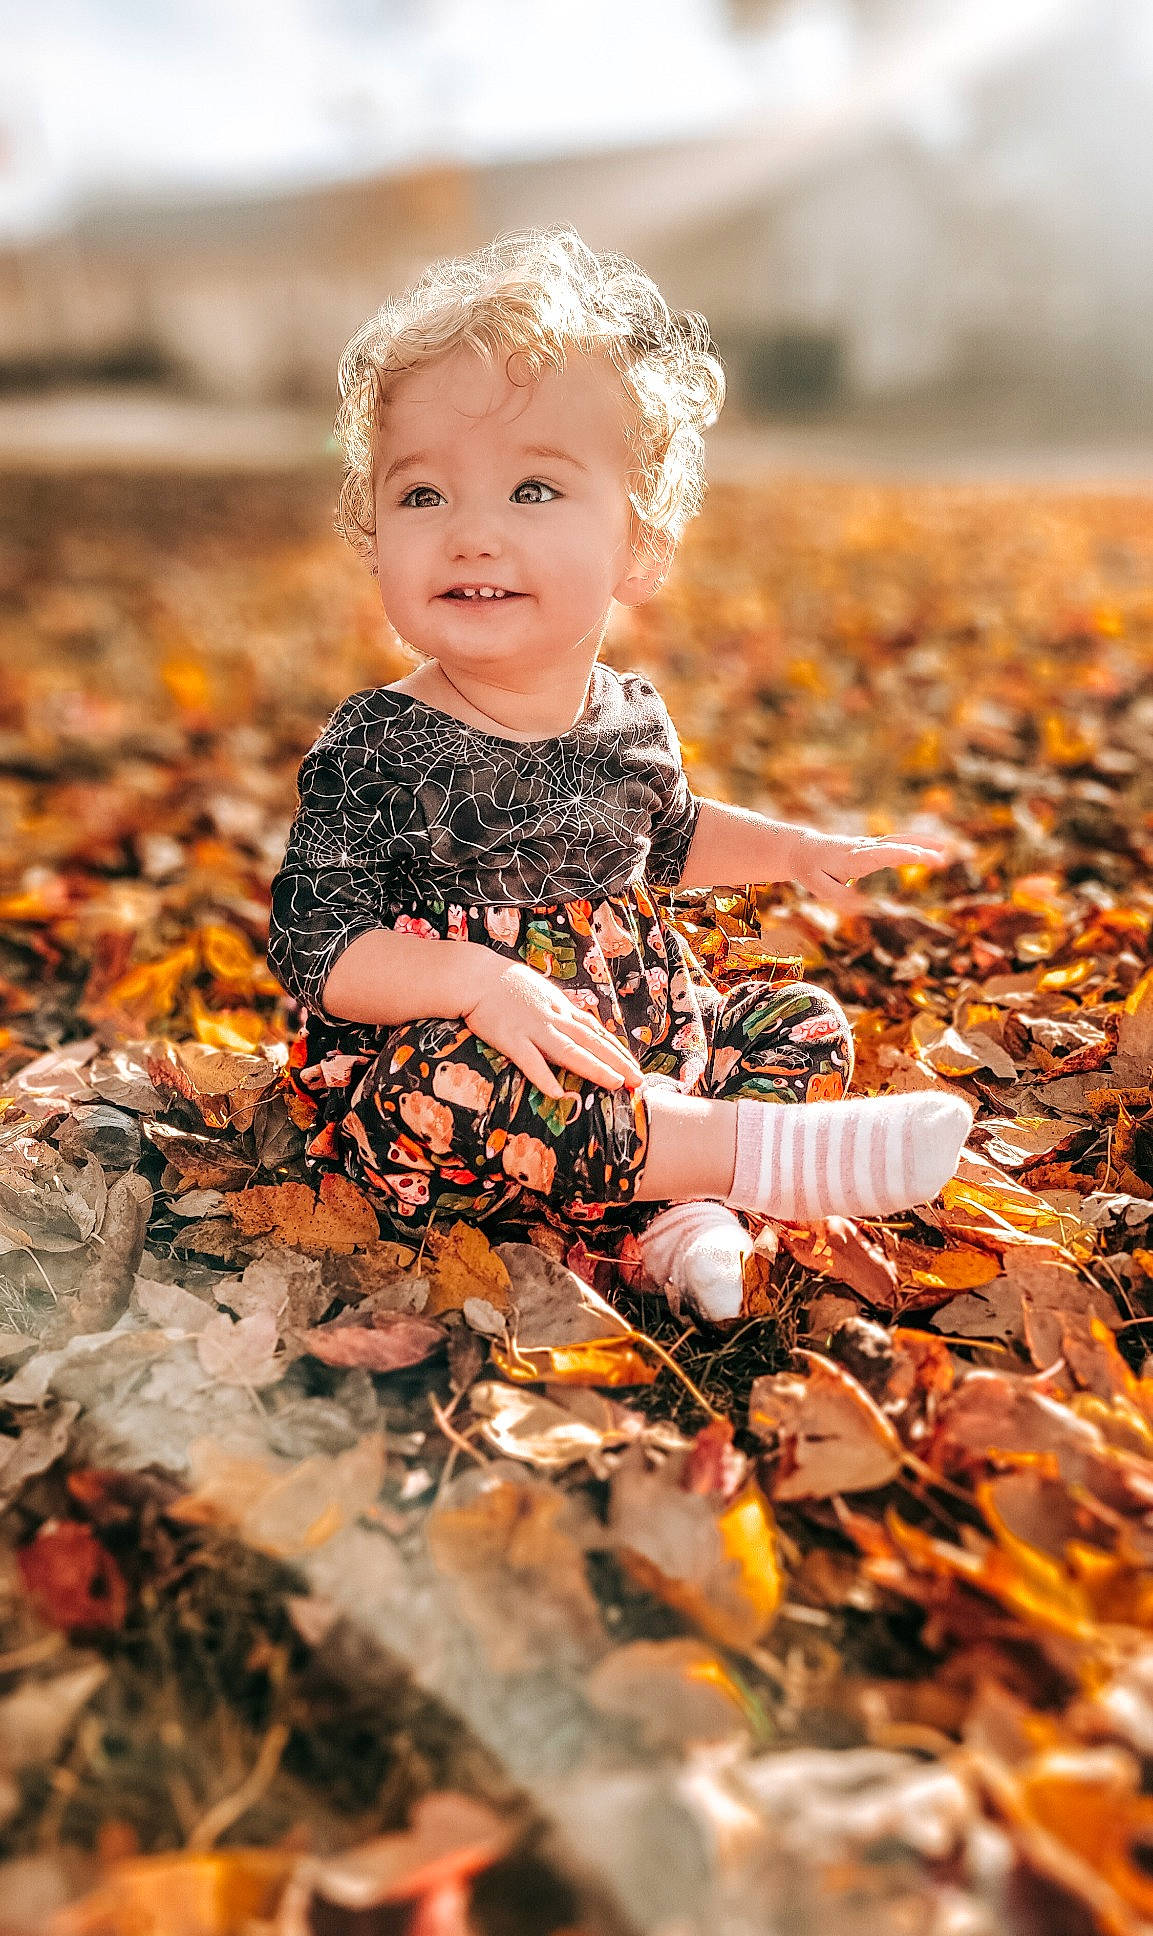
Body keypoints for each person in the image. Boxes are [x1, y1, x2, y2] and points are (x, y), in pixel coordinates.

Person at [268, 225, 972, 1323]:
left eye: (533, 490)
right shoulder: (377, 744)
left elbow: (673, 833)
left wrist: (794, 850)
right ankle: (738, 1159)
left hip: (642, 1044)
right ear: (372, 532)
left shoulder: (629, 717)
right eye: (422, 496)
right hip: (468, 1107)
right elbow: (319, 947)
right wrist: (477, 982)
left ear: (637, 542)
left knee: (802, 1020)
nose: (470, 536)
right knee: (451, 1077)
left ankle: (671, 1215)